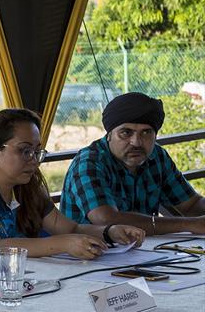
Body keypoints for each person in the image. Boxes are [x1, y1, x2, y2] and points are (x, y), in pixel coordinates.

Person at [0, 108, 145, 266]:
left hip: (16, 281)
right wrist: (65, 243)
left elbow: (71, 227)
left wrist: (110, 232)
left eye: (37, 151)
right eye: (24, 151)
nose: (33, 161)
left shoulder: (27, 189)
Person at [60, 92, 205, 234]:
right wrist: (189, 224)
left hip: (143, 250)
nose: (136, 142)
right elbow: (105, 219)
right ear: (109, 135)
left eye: (146, 132)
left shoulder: (157, 156)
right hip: (88, 253)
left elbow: (191, 204)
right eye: (126, 132)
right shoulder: (88, 163)